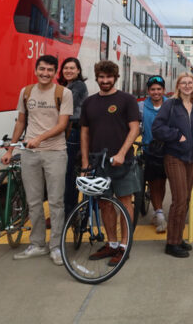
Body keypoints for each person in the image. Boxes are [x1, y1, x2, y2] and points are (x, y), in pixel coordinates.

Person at [2, 54, 73, 266]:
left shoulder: (64, 93)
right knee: (33, 201)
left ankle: (56, 246)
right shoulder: (26, 92)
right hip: (29, 153)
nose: (45, 73)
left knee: (56, 202)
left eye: (50, 70)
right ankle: (37, 244)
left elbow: (62, 125)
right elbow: (21, 121)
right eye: (42, 69)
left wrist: (39, 139)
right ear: (36, 69)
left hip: (55, 152)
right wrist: (11, 149)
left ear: (55, 72)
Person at [80, 61, 141, 266]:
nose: (105, 81)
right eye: (101, 77)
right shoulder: (89, 103)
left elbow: (134, 129)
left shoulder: (127, 99)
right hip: (99, 163)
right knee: (104, 203)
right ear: (96, 77)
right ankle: (111, 244)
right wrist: (86, 163)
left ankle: (124, 245)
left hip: (122, 161)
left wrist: (122, 153)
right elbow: (85, 133)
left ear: (115, 77)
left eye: (108, 77)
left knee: (124, 202)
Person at [151, 74, 193, 258]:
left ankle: (178, 237)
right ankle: (172, 243)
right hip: (174, 156)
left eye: (190, 83)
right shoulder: (170, 105)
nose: (187, 86)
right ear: (178, 86)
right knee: (179, 199)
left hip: (192, 157)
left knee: (185, 199)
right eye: (183, 83)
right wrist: (177, 136)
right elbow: (157, 127)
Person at [57, 57, 88, 217]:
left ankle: (69, 211)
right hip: (67, 131)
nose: (68, 70)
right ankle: (66, 209)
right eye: (65, 68)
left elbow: (66, 105)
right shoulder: (67, 86)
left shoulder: (79, 86)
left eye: (72, 68)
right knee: (63, 173)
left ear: (78, 71)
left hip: (73, 132)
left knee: (68, 173)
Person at [138, 75, 168, 233]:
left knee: (162, 183)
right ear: (148, 91)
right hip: (151, 151)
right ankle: (160, 213)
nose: (156, 92)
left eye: (159, 89)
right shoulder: (141, 106)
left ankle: (159, 211)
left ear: (163, 90)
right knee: (156, 183)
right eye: (153, 89)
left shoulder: (170, 105)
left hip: (169, 150)